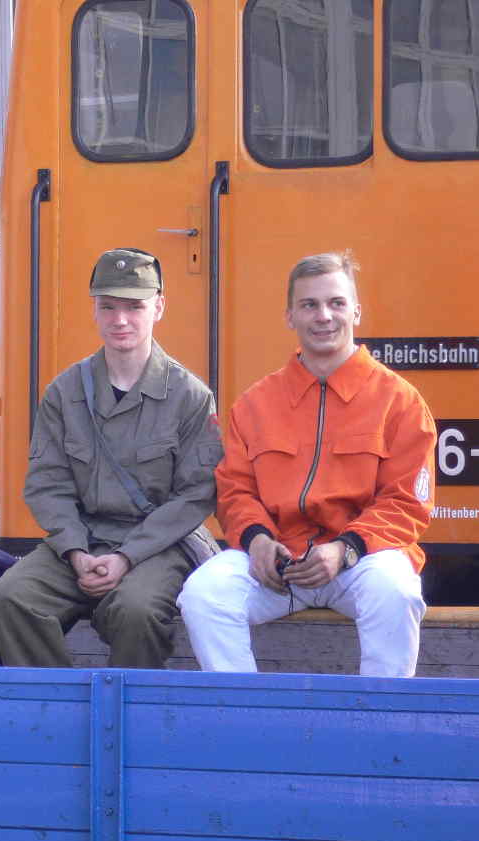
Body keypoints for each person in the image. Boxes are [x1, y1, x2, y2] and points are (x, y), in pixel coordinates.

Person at [177, 251, 436, 677]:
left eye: (336, 303)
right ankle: (243, 711)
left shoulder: (400, 401)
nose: (324, 316)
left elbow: (405, 502)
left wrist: (345, 549)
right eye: (309, 304)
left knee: (397, 592)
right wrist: (257, 541)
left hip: (362, 561)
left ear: (356, 311)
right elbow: (234, 489)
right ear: (290, 316)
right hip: (278, 562)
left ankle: (382, 715)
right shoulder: (256, 403)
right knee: (203, 595)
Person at [0, 248, 222, 669]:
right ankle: (57, 704)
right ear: (94, 310)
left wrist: (126, 557)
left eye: (134, 307)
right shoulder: (65, 392)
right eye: (108, 306)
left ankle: (126, 709)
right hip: (83, 539)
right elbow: (48, 484)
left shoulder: (189, 396)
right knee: (9, 599)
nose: (120, 320)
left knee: (136, 612)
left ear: (159, 307)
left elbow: (194, 496)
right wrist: (76, 552)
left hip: (158, 544)